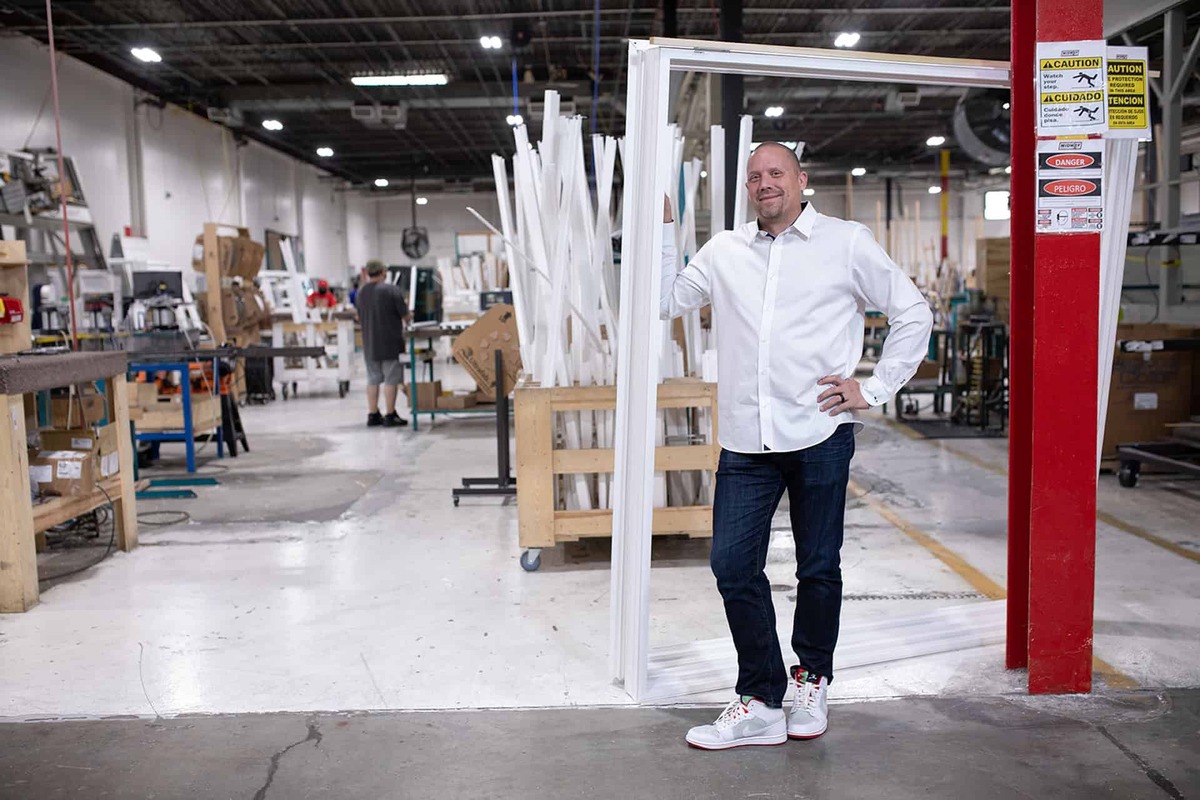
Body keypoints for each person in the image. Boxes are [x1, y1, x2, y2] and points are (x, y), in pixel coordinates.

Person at [660, 142, 933, 750]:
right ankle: (760, 697)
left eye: (775, 173)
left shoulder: (847, 241)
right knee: (732, 565)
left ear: (801, 180)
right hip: (745, 438)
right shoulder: (723, 251)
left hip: (819, 432)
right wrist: (658, 228)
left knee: (817, 565)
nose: (765, 183)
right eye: (755, 176)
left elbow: (913, 312)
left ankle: (810, 677)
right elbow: (662, 301)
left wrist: (875, 388)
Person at [354, 260, 410, 428]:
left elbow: (359, 315)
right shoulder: (391, 290)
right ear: (383, 272)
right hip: (390, 342)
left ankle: (373, 414)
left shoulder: (361, 292)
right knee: (391, 380)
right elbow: (405, 316)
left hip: (370, 343)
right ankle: (390, 414)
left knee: (372, 379)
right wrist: (410, 315)